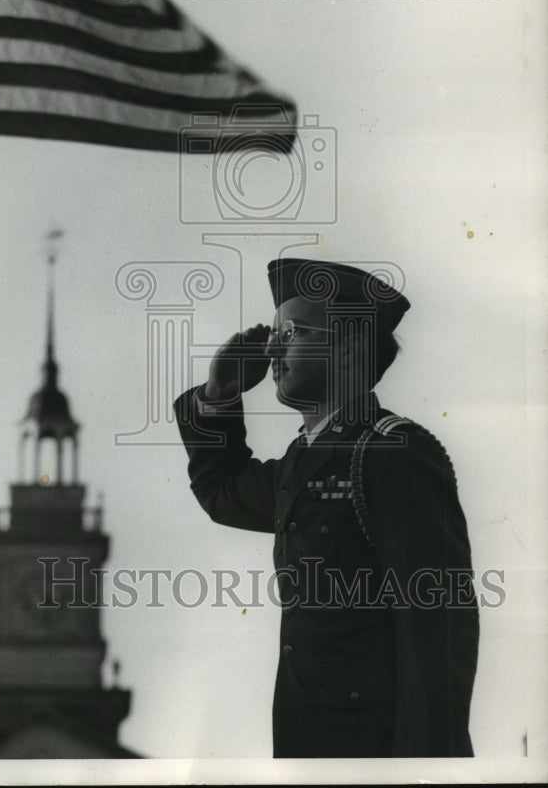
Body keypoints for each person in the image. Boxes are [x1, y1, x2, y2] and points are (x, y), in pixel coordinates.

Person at [173, 257, 479, 758]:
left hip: (375, 755)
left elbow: (438, 626)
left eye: (289, 332)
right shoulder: (304, 459)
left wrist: (427, 766)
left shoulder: (391, 452)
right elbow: (222, 492)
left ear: (351, 344)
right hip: (308, 743)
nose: (272, 349)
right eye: (271, 337)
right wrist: (219, 393)